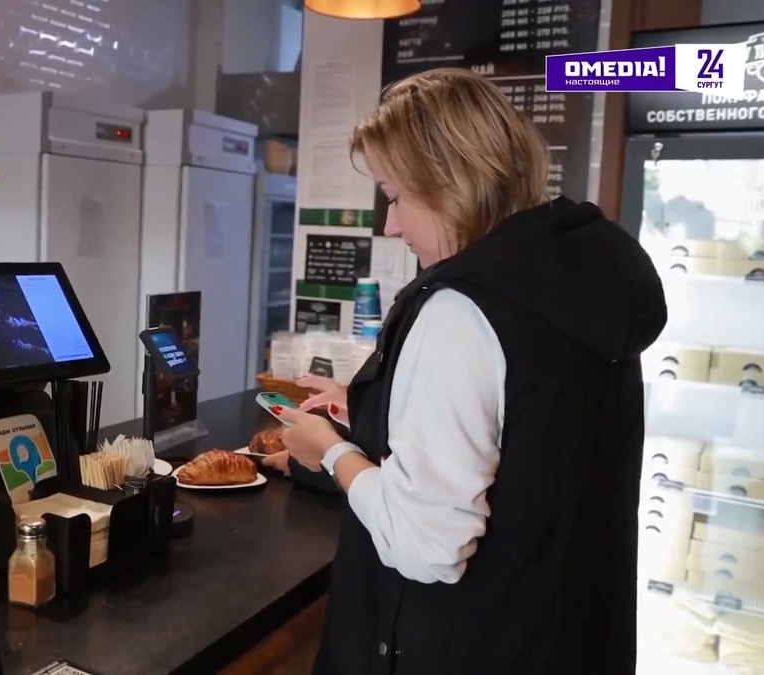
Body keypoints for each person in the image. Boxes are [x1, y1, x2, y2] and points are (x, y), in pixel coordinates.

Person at [273, 68, 667, 674]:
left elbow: (427, 544)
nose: (390, 225)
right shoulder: (579, 282)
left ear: (449, 183)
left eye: (395, 197)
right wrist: (380, 405)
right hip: (561, 638)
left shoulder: (461, 309)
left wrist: (330, 451)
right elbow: (535, 429)